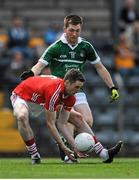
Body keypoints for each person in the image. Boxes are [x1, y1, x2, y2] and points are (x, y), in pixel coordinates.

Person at [20, 14, 122, 163]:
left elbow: (100, 67)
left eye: (77, 31)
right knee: (71, 120)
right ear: (65, 29)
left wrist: (112, 86)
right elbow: (40, 65)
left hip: (76, 91)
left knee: (87, 120)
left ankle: (66, 146)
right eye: (71, 30)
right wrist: (31, 73)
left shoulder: (85, 46)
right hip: (59, 92)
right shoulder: (56, 47)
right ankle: (79, 152)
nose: (74, 34)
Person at [11, 69, 88, 164]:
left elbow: (61, 124)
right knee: (22, 116)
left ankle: (100, 149)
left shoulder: (70, 97)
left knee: (76, 117)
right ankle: (34, 154)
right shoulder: (54, 92)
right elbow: (50, 124)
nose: (77, 91)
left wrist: (75, 147)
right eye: (76, 87)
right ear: (67, 83)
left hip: (41, 99)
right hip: (23, 96)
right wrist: (64, 147)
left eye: (80, 88)